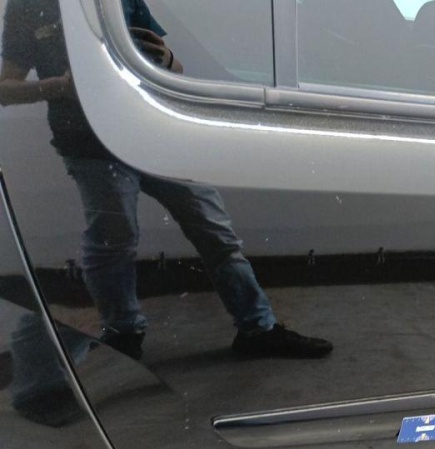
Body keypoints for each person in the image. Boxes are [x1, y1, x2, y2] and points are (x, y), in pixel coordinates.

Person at [0, 0, 333, 359]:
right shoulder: (27, 6)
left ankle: (258, 328)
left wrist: (167, 60)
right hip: (90, 143)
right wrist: (62, 86)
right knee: (114, 241)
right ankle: (124, 335)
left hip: (156, 131)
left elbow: (171, 65)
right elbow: (5, 88)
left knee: (212, 230)